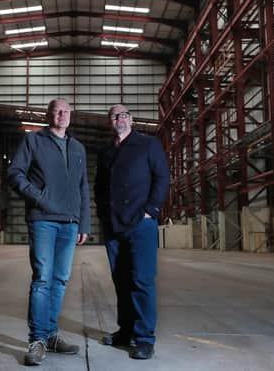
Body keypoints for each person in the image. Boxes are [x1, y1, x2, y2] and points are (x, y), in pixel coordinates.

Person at [7, 97, 90, 366]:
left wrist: (84, 223)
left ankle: (52, 336)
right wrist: (39, 197)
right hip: (43, 220)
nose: (62, 115)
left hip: (70, 223)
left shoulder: (78, 147)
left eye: (66, 111)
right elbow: (15, 173)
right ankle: (38, 339)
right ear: (48, 115)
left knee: (60, 280)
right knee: (42, 278)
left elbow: (83, 188)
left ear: (71, 116)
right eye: (56, 111)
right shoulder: (34, 140)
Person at [94, 104, 170, 360]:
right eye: (115, 115)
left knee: (142, 280)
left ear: (132, 119)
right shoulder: (105, 152)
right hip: (114, 224)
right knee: (121, 280)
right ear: (109, 122)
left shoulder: (148, 145)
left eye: (124, 114)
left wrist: (151, 210)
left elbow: (162, 178)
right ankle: (125, 331)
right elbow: (99, 187)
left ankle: (145, 338)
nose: (120, 118)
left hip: (141, 223)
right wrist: (103, 214)